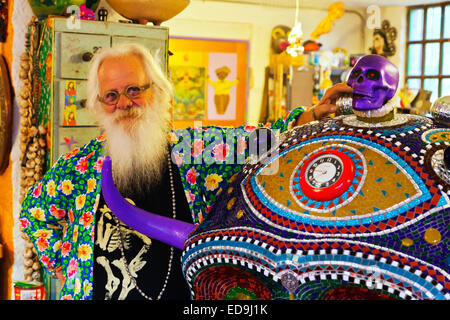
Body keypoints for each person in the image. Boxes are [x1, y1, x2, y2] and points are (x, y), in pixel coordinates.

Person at [19, 43, 352, 300]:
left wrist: (311, 116)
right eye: (111, 95)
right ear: (98, 105)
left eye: (134, 89)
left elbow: (259, 141)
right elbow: (32, 216)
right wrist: (71, 263)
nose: (124, 102)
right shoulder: (79, 167)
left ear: (158, 92)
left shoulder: (195, 150)